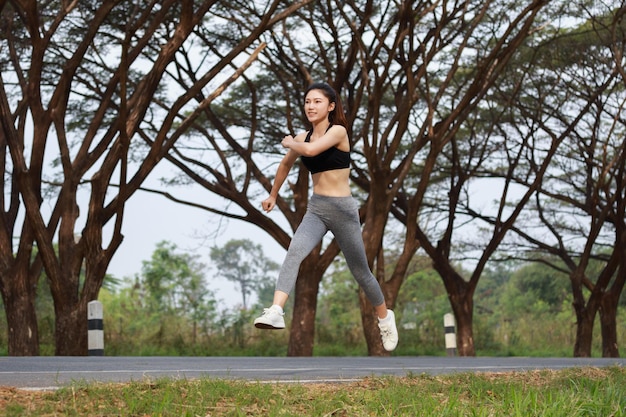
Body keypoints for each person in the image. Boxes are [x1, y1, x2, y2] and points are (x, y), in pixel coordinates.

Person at [253, 82, 398, 351]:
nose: (311, 106)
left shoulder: (338, 131)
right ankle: (275, 310)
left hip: (343, 211)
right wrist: (273, 194)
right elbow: (285, 165)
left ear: (331, 106)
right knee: (294, 252)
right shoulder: (302, 136)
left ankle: (385, 318)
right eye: (308, 101)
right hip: (317, 209)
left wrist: (290, 142)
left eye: (317, 101)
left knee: (361, 272)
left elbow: (309, 152)